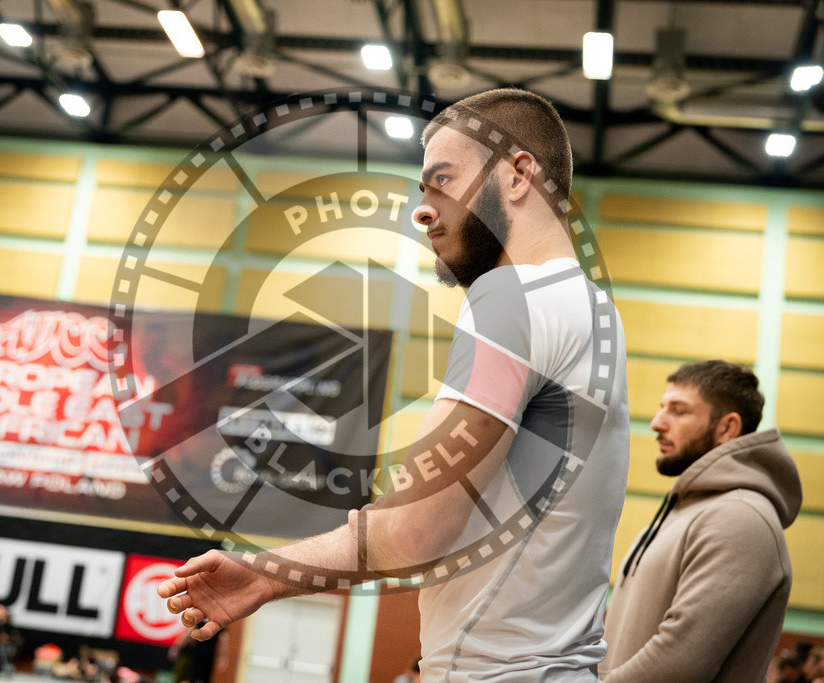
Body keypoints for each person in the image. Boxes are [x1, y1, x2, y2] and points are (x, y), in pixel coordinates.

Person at [158, 88, 630, 680]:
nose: (424, 210)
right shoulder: (594, 309)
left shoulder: (512, 298)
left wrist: (263, 572)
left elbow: (415, 529)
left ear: (518, 174)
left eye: (444, 181)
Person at [600, 360, 803, 682]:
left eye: (678, 411)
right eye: (662, 408)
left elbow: (679, 663)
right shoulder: (690, 510)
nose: (656, 423)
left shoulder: (741, 518)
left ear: (727, 428)